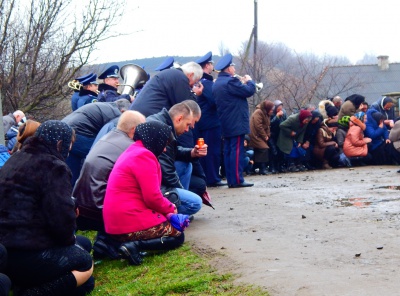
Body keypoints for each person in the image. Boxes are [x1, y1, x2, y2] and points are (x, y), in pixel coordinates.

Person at [0, 120, 94, 295]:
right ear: (60, 144)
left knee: (83, 243)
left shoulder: (16, 158)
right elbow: (61, 222)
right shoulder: (54, 166)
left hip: (5, 252)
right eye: (70, 144)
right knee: (84, 264)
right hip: (27, 252)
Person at [103, 121, 187, 266]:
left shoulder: (133, 151)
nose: (165, 150)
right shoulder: (144, 156)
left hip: (116, 221)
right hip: (128, 219)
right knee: (177, 235)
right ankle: (135, 246)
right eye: (164, 144)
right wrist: (170, 208)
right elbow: (152, 197)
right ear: (155, 139)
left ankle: (120, 244)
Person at [73, 110, 146, 259]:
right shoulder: (130, 147)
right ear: (134, 130)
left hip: (80, 204)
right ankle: (112, 241)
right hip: (98, 209)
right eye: (142, 128)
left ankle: (104, 241)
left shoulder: (106, 138)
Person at [146, 102, 205, 216]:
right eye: (188, 124)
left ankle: (174, 207)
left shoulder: (162, 122)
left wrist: (191, 153)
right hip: (152, 185)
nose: (189, 129)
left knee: (186, 165)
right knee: (195, 203)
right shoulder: (163, 130)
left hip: (151, 180)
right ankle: (173, 214)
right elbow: (167, 172)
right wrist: (178, 195)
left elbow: (173, 151)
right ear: (179, 119)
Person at [213, 53, 256, 188]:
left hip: (225, 121)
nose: (235, 69)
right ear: (228, 68)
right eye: (233, 66)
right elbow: (249, 90)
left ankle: (232, 179)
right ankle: (237, 179)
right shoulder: (231, 81)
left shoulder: (218, 83)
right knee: (237, 151)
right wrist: (249, 80)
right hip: (236, 121)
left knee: (229, 151)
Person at [62, 100, 130, 186]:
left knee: (72, 171)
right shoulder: (116, 115)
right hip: (78, 134)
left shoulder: (105, 106)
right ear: (123, 111)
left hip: (67, 131)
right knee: (99, 156)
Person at [194, 51, 225, 187]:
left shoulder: (200, 82)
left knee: (204, 151)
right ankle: (213, 178)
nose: (213, 66)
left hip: (202, 122)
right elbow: (214, 102)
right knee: (212, 151)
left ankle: (206, 177)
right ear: (207, 65)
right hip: (211, 122)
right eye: (211, 64)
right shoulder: (206, 83)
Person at [130, 61, 203, 117]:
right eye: (196, 81)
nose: (193, 85)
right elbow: (186, 107)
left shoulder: (173, 74)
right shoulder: (180, 78)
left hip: (139, 115)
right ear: (191, 75)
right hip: (148, 117)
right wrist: (195, 94)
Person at [249, 100, 274, 175]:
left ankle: (257, 167)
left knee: (262, 149)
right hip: (254, 135)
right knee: (264, 148)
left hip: (260, 135)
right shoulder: (259, 112)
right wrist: (264, 135)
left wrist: (268, 134)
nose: (272, 110)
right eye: (271, 109)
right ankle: (262, 168)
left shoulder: (266, 114)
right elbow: (258, 126)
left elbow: (267, 126)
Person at [269, 100, 288, 173]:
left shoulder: (284, 112)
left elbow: (286, 122)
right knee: (273, 151)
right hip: (272, 134)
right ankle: (272, 167)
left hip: (280, 134)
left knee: (281, 151)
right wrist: (277, 117)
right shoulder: (271, 113)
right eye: (278, 108)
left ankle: (280, 166)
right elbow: (270, 123)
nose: (280, 109)